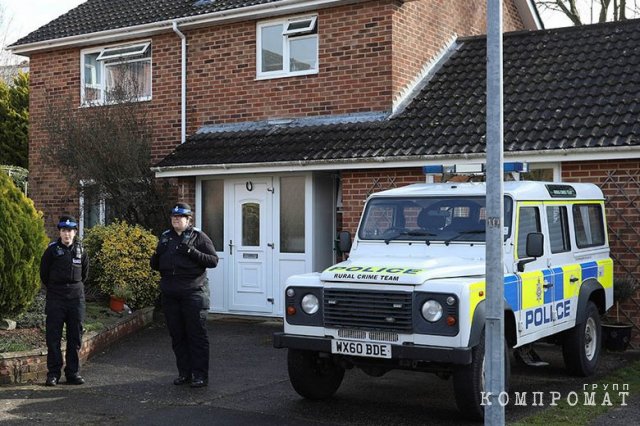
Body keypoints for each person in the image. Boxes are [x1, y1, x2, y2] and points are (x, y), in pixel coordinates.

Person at [150, 203, 219, 388]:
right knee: (177, 336)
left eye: (180, 217)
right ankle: (184, 373)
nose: (176, 219)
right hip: (171, 295)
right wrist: (156, 256)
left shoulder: (198, 237)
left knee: (196, 336)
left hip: (194, 293)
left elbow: (213, 261)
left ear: (189, 220)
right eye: (173, 217)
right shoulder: (165, 238)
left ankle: (200, 375)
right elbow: (155, 265)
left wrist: (191, 251)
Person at [40, 215, 89, 386]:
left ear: (75, 232)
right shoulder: (52, 250)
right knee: (53, 337)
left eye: (69, 231)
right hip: (56, 298)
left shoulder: (81, 250)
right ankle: (53, 373)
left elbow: (84, 274)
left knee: (75, 337)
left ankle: (72, 373)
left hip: (76, 298)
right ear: (59, 232)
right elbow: (44, 274)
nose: (66, 234)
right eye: (63, 231)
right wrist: (56, 288)